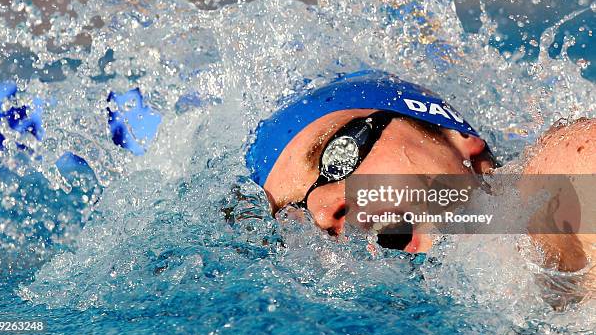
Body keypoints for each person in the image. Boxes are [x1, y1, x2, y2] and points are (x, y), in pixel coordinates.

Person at [246, 69, 595, 281]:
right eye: (296, 214)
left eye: (338, 155)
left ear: (455, 135)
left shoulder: (561, 173)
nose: (321, 212)